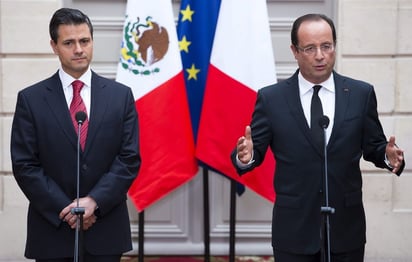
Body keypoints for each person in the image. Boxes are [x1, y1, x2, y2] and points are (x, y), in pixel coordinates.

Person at [231, 13, 405, 262]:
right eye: (310, 48)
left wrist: (388, 156)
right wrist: (245, 156)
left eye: (327, 46)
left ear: (334, 45)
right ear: (294, 51)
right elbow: (252, 152)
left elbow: (375, 146)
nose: (320, 55)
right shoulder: (272, 99)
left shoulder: (360, 94)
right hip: (293, 230)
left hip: (346, 228)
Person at [10, 8, 140, 262]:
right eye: (69, 43)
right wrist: (67, 209)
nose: (79, 49)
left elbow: (128, 159)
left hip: (105, 230)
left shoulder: (120, 96)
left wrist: (94, 201)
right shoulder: (31, 99)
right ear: (54, 46)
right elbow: (25, 165)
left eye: (85, 41)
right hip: (52, 231)